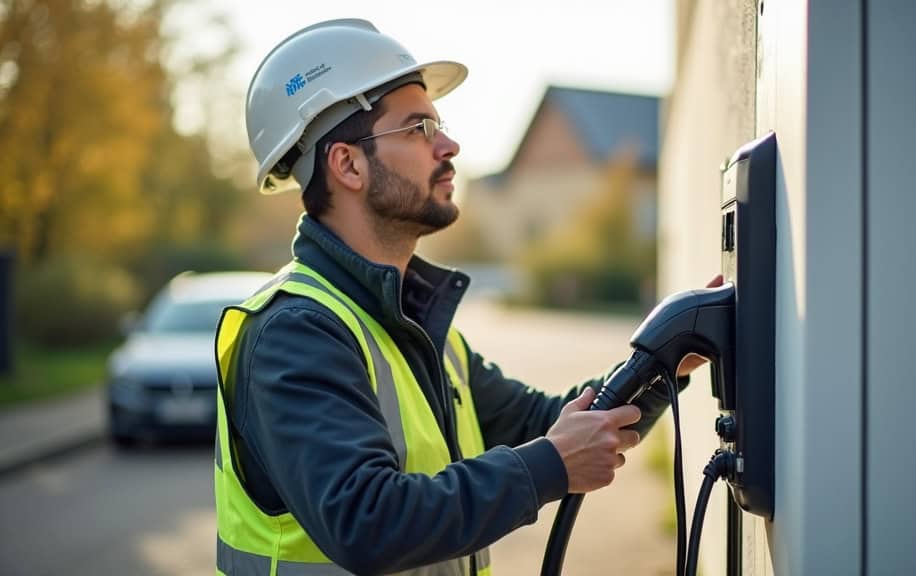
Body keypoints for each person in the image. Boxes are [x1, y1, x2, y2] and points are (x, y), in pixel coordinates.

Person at [214, 19, 716, 576]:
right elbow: (365, 521)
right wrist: (548, 465)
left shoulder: (418, 327)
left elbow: (548, 424)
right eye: (418, 128)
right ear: (348, 164)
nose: (449, 145)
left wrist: (666, 356)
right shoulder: (295, 331)